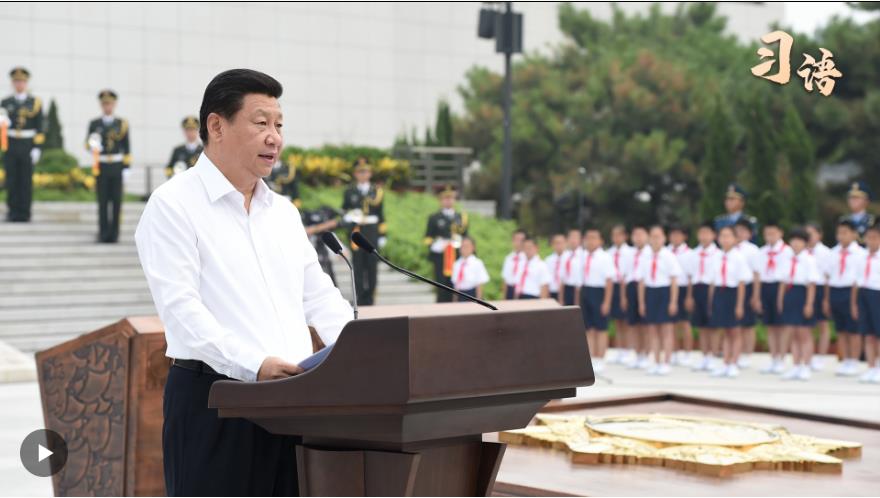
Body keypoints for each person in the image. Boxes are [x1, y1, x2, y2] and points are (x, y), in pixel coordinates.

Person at [134, 68, 353, 496]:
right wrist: (253, 365)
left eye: (279, 125)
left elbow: (320, 297)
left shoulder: (283, 212)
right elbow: (182, 311)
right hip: (216, 402)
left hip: (296, 401)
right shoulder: (173, 205)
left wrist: (361, 351)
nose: (275, 138)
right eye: (261, 123)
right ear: (217, 126)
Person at [777, 228, 822, 381]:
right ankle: (796, 365)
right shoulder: (786, 258)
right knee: (794, 333)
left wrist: (809, 304)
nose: (796, 243)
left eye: (800, 241)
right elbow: (783, 282)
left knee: (804, 333)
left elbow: (812, 285)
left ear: (805, 243)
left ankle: (806, 365)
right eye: (793, 240)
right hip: (790, 294)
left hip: (803, 295)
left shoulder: (809, 259)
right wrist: (781, 300)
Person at [86, 89, 131, 243]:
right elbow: (88, 143)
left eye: (110, 104)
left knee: (116, 201)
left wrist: (126, 167)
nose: (107, 107)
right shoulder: (94, 124)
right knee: (103, 201)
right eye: (105, 104)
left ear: (114, 105)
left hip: (117, 165)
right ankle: (103, 233)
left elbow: (126, 147)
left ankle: (114, 234)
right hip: (102, 165)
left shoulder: (122, 124)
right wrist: (92, 146)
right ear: (101, 105)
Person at [637, 225, 682, 375]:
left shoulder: (669, 256)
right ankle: (656, 361)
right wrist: (642, 302)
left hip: (664, 292)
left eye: (658, 237)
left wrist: (673, 301)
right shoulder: (645, 256)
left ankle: (666, 362)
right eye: (653, 237)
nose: (655, 240)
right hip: (650, 292)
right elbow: (641, 281)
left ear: (664, 238)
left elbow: (674, 280)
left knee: (666, 330)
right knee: (652, 330)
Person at [1, 67, 44, 222]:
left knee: (25, 180)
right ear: (13, 83)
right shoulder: (5, 103)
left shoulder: (35, 102)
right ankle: (12, 212)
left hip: (27, 145)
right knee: (12, 179)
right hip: (11, 144)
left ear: (26, 83)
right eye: (16, 81)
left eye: (22, 81)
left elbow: (40, 127)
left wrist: (37, 148)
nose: (19, 84)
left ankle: (25, 212)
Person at [707, 226, 751, 378]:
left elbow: (741, 283)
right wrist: (711, 301)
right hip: (720, 293)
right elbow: (713, 281)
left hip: (733, 294)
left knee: (735, 331)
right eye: (722, 236)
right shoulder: (716, 256)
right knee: (725, 331)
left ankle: (733, 362)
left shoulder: (739, 257)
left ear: (735, 239)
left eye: (728, 236)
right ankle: (725, 362)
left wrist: (739, 305)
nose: (725, 239)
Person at [342, 157, 386, 306]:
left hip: (372, 231)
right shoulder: (349, 191)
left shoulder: (376, 191)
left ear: (370, 173)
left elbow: (381, 214)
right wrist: (349, 215)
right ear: (355, 174)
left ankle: (371, 299)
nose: (362, 174)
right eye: (359, 172)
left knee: (372, 265)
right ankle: (360, 299)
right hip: (356, 231)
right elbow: (344, 209)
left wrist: (382, 235)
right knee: (358, 266)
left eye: (365, 171)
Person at [826, 220, 866, 376]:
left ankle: (854, 361)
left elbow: (860, 278)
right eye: (839, 233)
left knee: (853, 330)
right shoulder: (833, 252)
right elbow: (828, 276)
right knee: (841, 329)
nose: (841, 236)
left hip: (852, 291)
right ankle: (845, 360)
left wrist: (855, 301)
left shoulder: (861, 253)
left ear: (854, 234)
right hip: (835, 290)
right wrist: (827, 299)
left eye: (845, 233)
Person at [754, 221, 793, 374]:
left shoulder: (787, 251)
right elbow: (757, 274)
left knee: (782, 325)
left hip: (782, 287)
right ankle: (773, 358)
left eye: (773, 233)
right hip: (766, 287)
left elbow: (787, 275)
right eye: (767, 234)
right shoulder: (762, 252)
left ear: (780, 233)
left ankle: (782, 358)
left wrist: (782, 297)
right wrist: (756, 296)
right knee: (770, 326)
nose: (770, 236)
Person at [424, 185, 469, 302]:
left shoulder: (461, 217)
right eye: (445, 198)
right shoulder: (434, 218)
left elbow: (466, 238)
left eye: (451, 198)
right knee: (441, 286)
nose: (448, 201)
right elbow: (427, 238)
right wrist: (437, 245)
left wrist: (459, 241)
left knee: (457, 286)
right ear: (440, 200)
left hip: (457, 256)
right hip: (441, 258)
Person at [579, 228, 614, 373]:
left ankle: (601, 358)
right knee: (589, 328)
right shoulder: (582, 256)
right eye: (588, 238)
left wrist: (606, 301)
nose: (590, 241)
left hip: (599, 292)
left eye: (594, 238)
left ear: (600, 241)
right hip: (586, 291)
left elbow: (609, 281)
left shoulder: (605, 257)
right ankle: (591, 358)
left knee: (601, 328)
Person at [686, 222, 719, 372]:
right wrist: (689, 296)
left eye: (707, 233)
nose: (704, 236)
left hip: (712, 289)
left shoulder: (718, 254)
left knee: (713, 326)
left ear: (713, 235)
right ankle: (705, 356)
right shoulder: (694, 253)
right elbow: (690, 276)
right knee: (701, 326)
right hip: (697, 288)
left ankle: (713, 356)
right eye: (701, 233)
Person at [853, 223, 880, 383]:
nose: (871, 241)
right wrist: (854, 303)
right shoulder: (861, 257)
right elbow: (856, 281)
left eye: (875, 238)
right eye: (868, 238)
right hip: (863, 293)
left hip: (877, 294)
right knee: (868, 334)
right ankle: (871, 367)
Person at [623, 225, 652, 369]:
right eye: (635, 235)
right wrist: (624, 296)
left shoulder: (651, 252)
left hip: (647, 287)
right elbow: (624, 275)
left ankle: (647, 354)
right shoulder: (629, 253)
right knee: (633, 324)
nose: (638, 238)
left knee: (646, 324)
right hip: (631, 287)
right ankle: (638, 354)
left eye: (641, 234)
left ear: (647, 237)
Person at [734, 219, 761, 368]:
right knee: (734, 323)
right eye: (737, 230)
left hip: (748, 287)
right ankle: (735, 353)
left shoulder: (752, 250)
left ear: (750, 234)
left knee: (748, 324)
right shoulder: (729, 248)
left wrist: (755, 295)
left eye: (743, 231)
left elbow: (756, 273)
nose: (739, 233)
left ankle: (747, 354)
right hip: (732, 288)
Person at [806, 223, 832, 370]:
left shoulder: (826, 252)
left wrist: (826, 298)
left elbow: (828, 277)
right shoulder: (802, 251)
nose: (809, 236)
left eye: (812, 233)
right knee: (806, 326)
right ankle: (808, 357)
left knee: (823, 324)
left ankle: (821, 357)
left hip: (821, 289)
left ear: (819, 235)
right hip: (805, 289)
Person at [607, 225, 634, 364]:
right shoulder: (608, 253)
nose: (616, 238)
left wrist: (624, 295)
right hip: (613, 286)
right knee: (617, 321)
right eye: (614, 235)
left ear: (625, 236)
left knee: (626, 321)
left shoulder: (630, 252)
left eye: (619, 235)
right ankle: (620, 350)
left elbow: (628, 273)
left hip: (626, 286)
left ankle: (628, 350)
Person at [668, 225, 693, 365]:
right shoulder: (666, 251)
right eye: (673, 235)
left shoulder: (689, 253)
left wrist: (689, 296)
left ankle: (687, 354)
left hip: (683, 289)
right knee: (671, 324)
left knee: (685, 323)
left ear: (684, 237)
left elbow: (690, 276)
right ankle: (674, 353)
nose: (675, 238)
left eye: (678, 235)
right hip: (669, 289)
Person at [559, 228, 583, 306]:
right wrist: (561, 298)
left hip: (579, 290)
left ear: (580, 240)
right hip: (566, 288)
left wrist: (577, 301)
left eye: (576, 237)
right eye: (571, 237)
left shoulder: (583, 255)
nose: (573, 240)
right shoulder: (565, 255)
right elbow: (562, 277)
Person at [501, 229, 527, 300]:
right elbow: (505, 279)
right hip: (510, 290)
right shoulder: (508, 258)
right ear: (512, 241)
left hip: (523, 292)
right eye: (516, 240)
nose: (519, 243)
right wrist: (503, 297)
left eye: (522, 240)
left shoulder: (528, 259)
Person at [545, 233, 567, 301]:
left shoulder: (570, 259)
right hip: (551, 291)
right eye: (556, 243)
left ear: (566, 243)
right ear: (552, 244)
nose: (559, 245)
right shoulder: (548, 260)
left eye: (561, 243)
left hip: (565, 292)